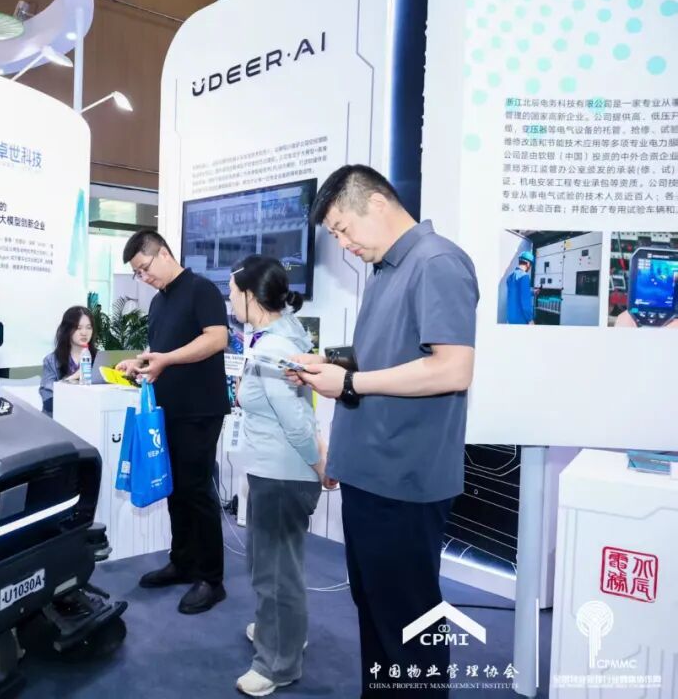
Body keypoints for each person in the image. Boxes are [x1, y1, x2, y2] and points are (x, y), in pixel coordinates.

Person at [287, 165, 479, 697]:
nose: (343, 245)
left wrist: (350, 382)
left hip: (404, 479)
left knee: (408, 627)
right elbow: (386, 359)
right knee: (375, 612)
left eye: (342, 229)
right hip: (370, 472)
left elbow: (452, 369)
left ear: (375, 203)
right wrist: (330, 364)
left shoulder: (437, 262)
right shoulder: (387, 271)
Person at [227, 255, 338, 696]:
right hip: (274, 471)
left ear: (251, 297)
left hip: (283, 474)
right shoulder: (283, 331)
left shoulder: (272, 347)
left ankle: (277, 663)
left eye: (233, 294)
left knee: (274, 573)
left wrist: (321, 465)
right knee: (270, 564)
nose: (229, 302)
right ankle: (283, 631)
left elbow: (295, 421)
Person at [115, 229, 230, 615]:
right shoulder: (158, 302)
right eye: (138, 274)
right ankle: (182, 562)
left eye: (145, 268)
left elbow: (216, 339)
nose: (144, 277)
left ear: (163, 253)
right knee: (175, 490)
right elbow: (160, 351)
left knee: (196, 490)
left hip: (200, 408)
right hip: (168, 408)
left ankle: (211, 579)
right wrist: (140, 361)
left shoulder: (201, 290)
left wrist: (166, 359)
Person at [39, 306, 98, 416]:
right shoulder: (51, 361)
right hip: (58, 420)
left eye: (89, 328)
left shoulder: (98, 358)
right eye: (78, 328)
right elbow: (48, 402)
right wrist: (73, 377)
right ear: (67, 330)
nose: (84, 333)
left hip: (90, 417)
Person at [505, 250, 534, 324]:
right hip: (521, 320)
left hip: (510, 318)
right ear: (528, 264)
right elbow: (525, 302)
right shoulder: (524, 276)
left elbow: (516, 293)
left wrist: (533, 292)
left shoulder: (510, 276)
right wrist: (530, 319)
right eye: (531, 265)